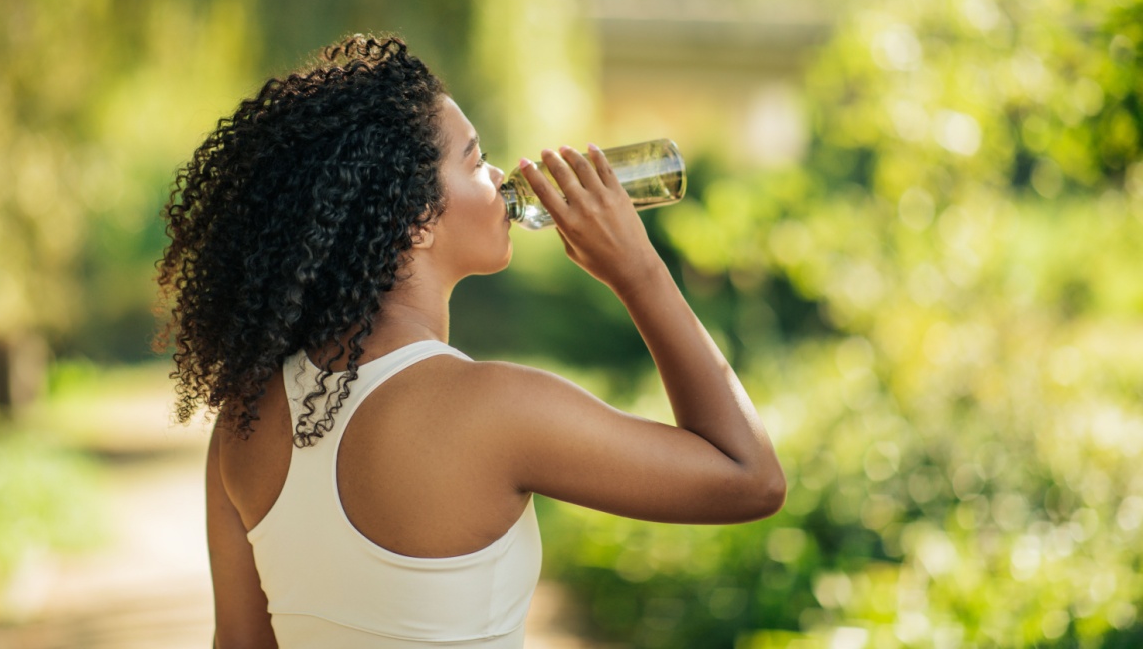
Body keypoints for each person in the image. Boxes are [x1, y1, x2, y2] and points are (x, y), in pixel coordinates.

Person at [156, 34, 786, 649]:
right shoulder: (495, 408)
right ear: (416, 221)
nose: (501, 175)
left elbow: (238, 640)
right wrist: (638, 272)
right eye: (474, 158)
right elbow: (751, 478)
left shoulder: (244, 417)